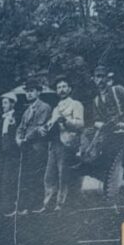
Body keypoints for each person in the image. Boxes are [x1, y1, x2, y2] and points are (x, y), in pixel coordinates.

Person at [39, 78, 84, 212]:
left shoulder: (76, 104)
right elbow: (51, 124)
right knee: (49, 176)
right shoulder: (56, 108)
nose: (62, 90)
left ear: (69, 89)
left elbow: (80, 124)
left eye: (64, 86)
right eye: (59, 87)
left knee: (63, 175)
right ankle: (48, 204)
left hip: (67, 144)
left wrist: (65, 121)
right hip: (53, 144)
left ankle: (61, 204)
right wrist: (45, 128)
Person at [10, 80, 51, 215]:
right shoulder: (27, 111)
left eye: (32, 91)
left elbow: (39, 126)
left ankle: (38, 205)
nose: (29, 93)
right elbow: (20, 127)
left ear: (38, 92)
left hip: (38, 146)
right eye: (27, 91)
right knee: (26, 176)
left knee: (37, 175)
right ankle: (26, 206)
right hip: (26, 147)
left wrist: (25, 138)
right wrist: (18, 138)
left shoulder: (44, 107)